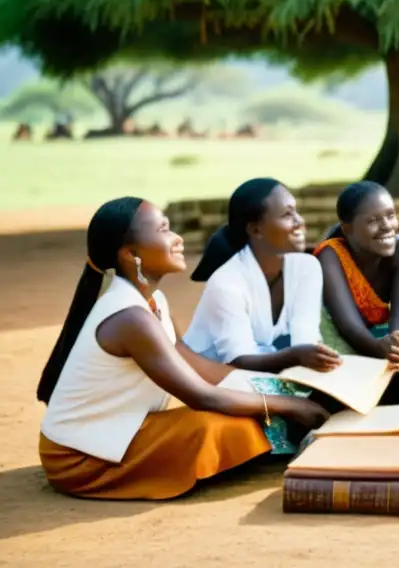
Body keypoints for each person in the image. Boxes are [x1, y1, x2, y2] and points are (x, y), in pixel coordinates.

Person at [37, 197, 330, 501]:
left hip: (114, 433)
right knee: (222, 427)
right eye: (163, 230)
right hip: (79, 458)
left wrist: (276, 387)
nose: (177, 239)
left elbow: (197, 365)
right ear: (131, 254)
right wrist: (291, 406)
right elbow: (201, 395)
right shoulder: (130, 318)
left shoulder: (152, 302)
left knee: (241, 417)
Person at [184, 178, 340, 374]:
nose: (299, 222)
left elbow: (305, 338)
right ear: (255, 230)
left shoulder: (307, 267)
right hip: (208, 381)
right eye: (287, 215)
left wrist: (311, 357)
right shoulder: (226, 283)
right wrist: (297, 356)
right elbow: (238, 360)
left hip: (261, 375)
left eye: (296, 212)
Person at [315, 181, 399, 400]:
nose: (387, 226)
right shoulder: (330, 256)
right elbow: (349, 326)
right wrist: (379, 348)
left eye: (390, 215)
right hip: (337, 338)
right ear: (347, 228)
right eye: (373, 220)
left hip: (379, 337)